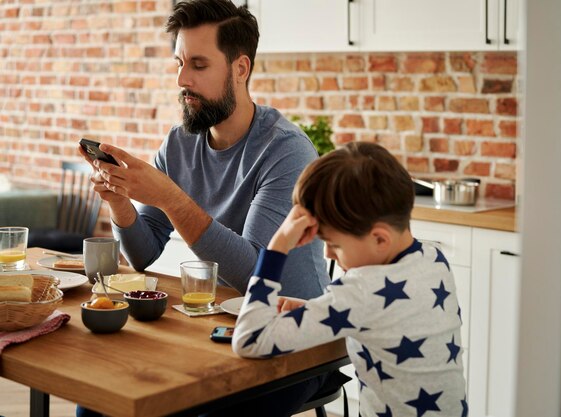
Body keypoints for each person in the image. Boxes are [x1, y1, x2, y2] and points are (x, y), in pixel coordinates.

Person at [77, 0, 328, 416]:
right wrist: (122, 204)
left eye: (198, 64)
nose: (181, 78)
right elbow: (144, 253)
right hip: (213, 329)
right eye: (178, 62)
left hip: (291, 343)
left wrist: (170, 197)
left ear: (240, 68)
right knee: (101, 404)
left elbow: (254, 273)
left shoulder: (286, 151)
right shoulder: (179, 144)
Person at [233, 142, 468, 417]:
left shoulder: (359, 292)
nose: (328, 253)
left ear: (380, 238)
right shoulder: (433, 259)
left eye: (335, 244)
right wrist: (322, 309)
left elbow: (249, 340)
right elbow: (385, 320)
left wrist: (277, 248)